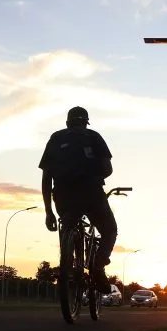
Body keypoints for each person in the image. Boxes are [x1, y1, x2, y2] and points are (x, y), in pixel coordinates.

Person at [38, 106, 117, 293]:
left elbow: (46, 178)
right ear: (86, 122)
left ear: (67, 122)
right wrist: (94, 176)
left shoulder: (56, 138)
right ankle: (97, 267)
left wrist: (48, 212)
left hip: (63, 197)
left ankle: (68, 255)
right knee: (109, 230)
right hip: (91, 193)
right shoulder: (93, 136)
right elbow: (108, 169)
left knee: (68, 223)